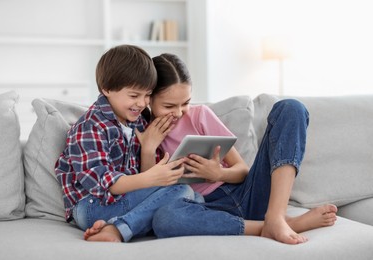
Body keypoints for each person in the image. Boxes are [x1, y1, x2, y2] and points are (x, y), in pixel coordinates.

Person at [147, 53, 338, 245]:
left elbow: (242, 170)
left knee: (291, 108)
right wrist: (148, 148)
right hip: (203, 209)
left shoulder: (199, 115)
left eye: (186, 103)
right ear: (148, 99)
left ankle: (276, 217)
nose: (179, 113)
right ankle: (275, 226)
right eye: (169, 106)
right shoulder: (140, 134)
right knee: (165, 219)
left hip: (246, 194)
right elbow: (148, 194)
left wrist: (218, 173)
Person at [54, 45, 196, 243]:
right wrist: (152, 178)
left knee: (193, 198)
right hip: (92, 206)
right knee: (182, 193)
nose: (141, 103)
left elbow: (143, 181)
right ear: (107, 89)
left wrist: (149, 150)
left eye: (147, 95)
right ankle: (120, 229)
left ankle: (116, 225)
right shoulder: (91, 126)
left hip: (126, 201)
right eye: (134, 95)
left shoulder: (138, 121)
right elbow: (104, 183)